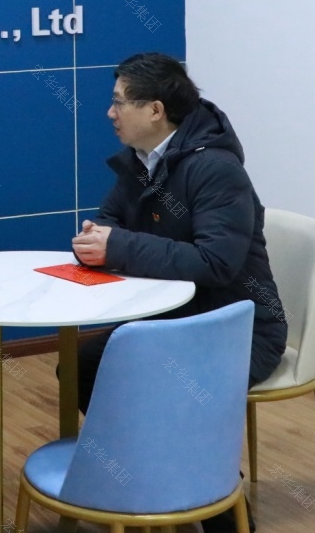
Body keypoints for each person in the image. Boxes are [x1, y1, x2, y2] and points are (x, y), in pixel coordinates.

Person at [71, 52, 285, 533]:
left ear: (155, 110)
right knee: (82, 367)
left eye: (119, 102)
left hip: (236, 331)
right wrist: (95, 237)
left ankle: (220, 505)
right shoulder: (142, 160)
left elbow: (215, 262)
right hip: (174, 322)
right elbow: (111, 218)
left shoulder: (216, 170)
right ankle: (158, 474)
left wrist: (118, 246)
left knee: (160, 389)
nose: (110, 113)